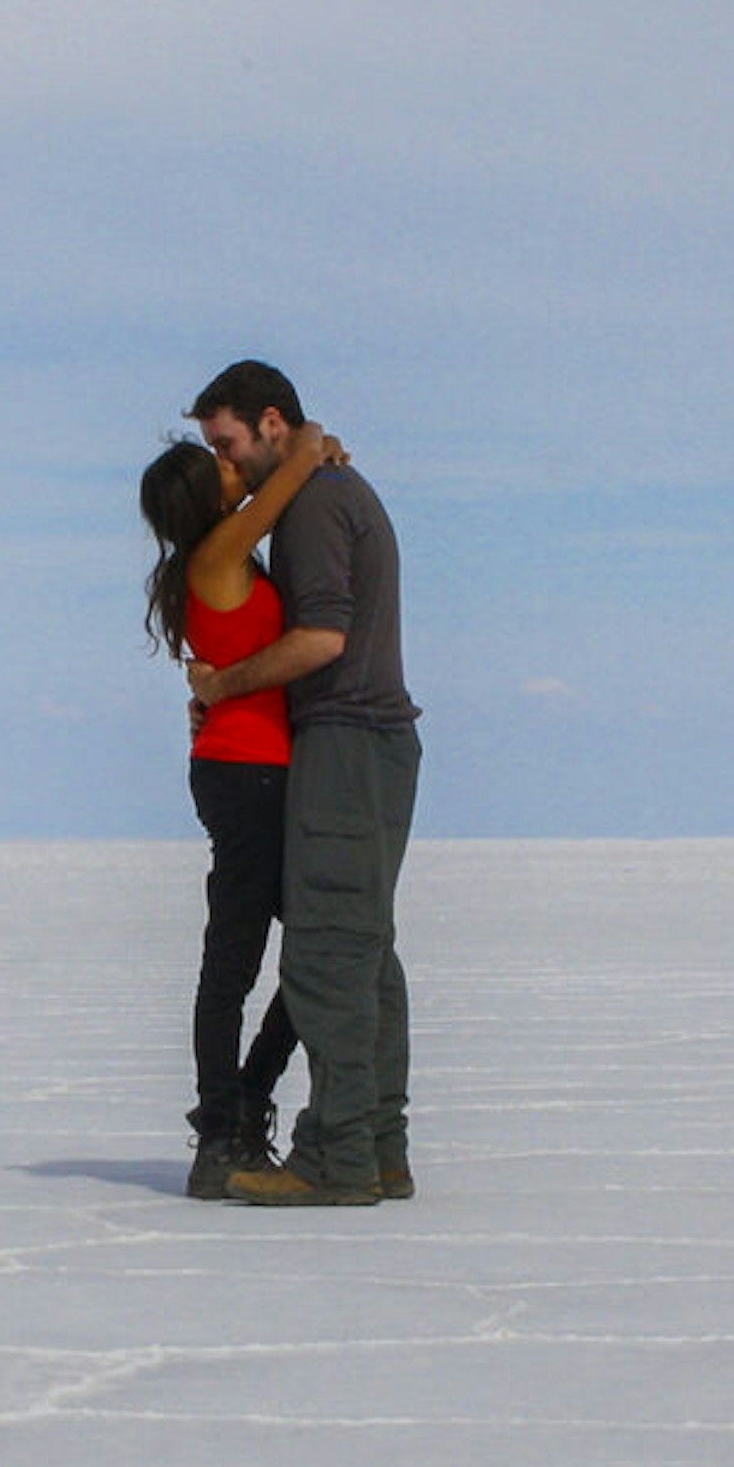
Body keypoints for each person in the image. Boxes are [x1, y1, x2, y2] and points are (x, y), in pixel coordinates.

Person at [178, 360, 420, 1207]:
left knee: (326, 955)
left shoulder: (315, 501)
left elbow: (319, 639)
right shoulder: (319, 488)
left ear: (272, 421)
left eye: (230, 443)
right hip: (371, 743)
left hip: (347, 741)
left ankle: (337, 1156)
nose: (229, 467)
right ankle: (378, 1146)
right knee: (361, 948)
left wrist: (221, 687)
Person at [136, 418, 342, 1196]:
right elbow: (284, 479)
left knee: (314, 948)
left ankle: (242, 1104)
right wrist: (312, 438)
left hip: (254, 771)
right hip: (244, 777)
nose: (231, 467)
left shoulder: (222, 559)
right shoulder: (219, 553)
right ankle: (224, 1129)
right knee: (234, 962)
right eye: (216, 463)